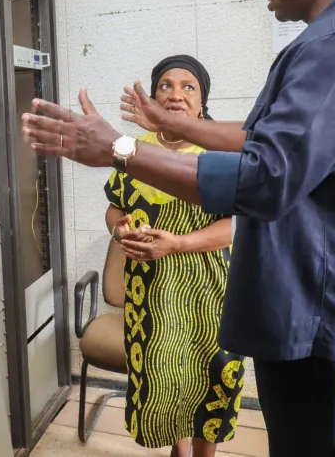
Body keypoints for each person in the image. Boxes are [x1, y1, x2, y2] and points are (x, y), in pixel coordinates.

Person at [21, 0, 335, 457]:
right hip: (321, 309)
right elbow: (267, 137)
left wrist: (119, 147)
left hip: (319, 317)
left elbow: (264, 176)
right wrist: (165, 129)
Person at [105, 55, 242, 457]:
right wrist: (119, 227)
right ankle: (179, 450)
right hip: (150, 296)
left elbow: (241, 224)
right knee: (165, 379)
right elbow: (115, 204)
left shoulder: (220, 149)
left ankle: (204, 454)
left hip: (209, 293)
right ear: (151, 97)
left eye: (188, 87)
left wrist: (177, 243)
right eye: (165, 85)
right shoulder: (133, 150)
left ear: (202, 101)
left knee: (211, 379)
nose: (176, 94)